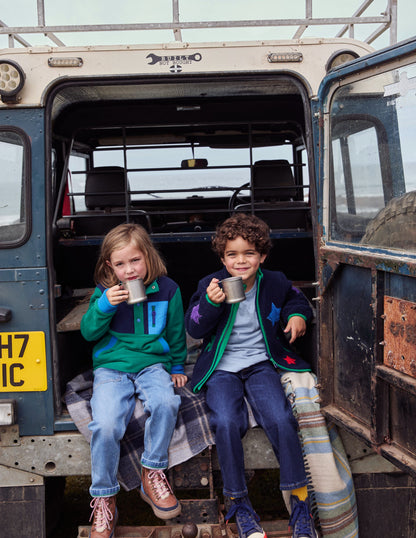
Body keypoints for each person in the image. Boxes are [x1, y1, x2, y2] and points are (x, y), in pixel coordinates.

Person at [185, 213, 318, 538]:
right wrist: (211, 303)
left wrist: (298, 316)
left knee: (281, 418)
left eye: (249, 253)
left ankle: (300, 504)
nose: (240, 261)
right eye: (232, 254)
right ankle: (239, 503)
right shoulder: (210, 285)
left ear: (262, 256)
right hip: (222, 369)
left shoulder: (274, 281)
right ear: (222, 257)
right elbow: (194, 325)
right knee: (226, 422)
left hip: (261, 364)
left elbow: (296, 300)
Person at [81, 223, 187, 538]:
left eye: (135, 261)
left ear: (148, 257)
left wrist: (178, 365)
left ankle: (151, 471)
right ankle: (104, 498)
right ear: (109, 266)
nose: (129, 270)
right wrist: (105, 305)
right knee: (106, 423)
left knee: (167, 402)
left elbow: (175, 332)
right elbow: (88, 333)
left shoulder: (168, 289)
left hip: (153, 364)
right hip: (111, 368)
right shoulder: (104, 293)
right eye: (120, 263)